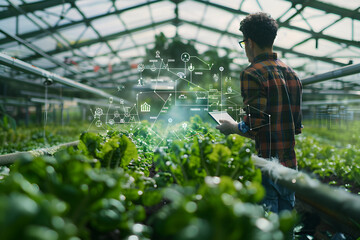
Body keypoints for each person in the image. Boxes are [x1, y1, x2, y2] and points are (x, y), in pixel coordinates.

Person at [216, 12, 303, 215]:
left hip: (268, 165)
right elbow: (296, 128)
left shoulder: (252, 73)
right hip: (290, 166)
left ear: (250, 42)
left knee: (268, 226)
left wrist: (231, 128)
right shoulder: (293, 74)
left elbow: (255, 126)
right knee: (285, 226)